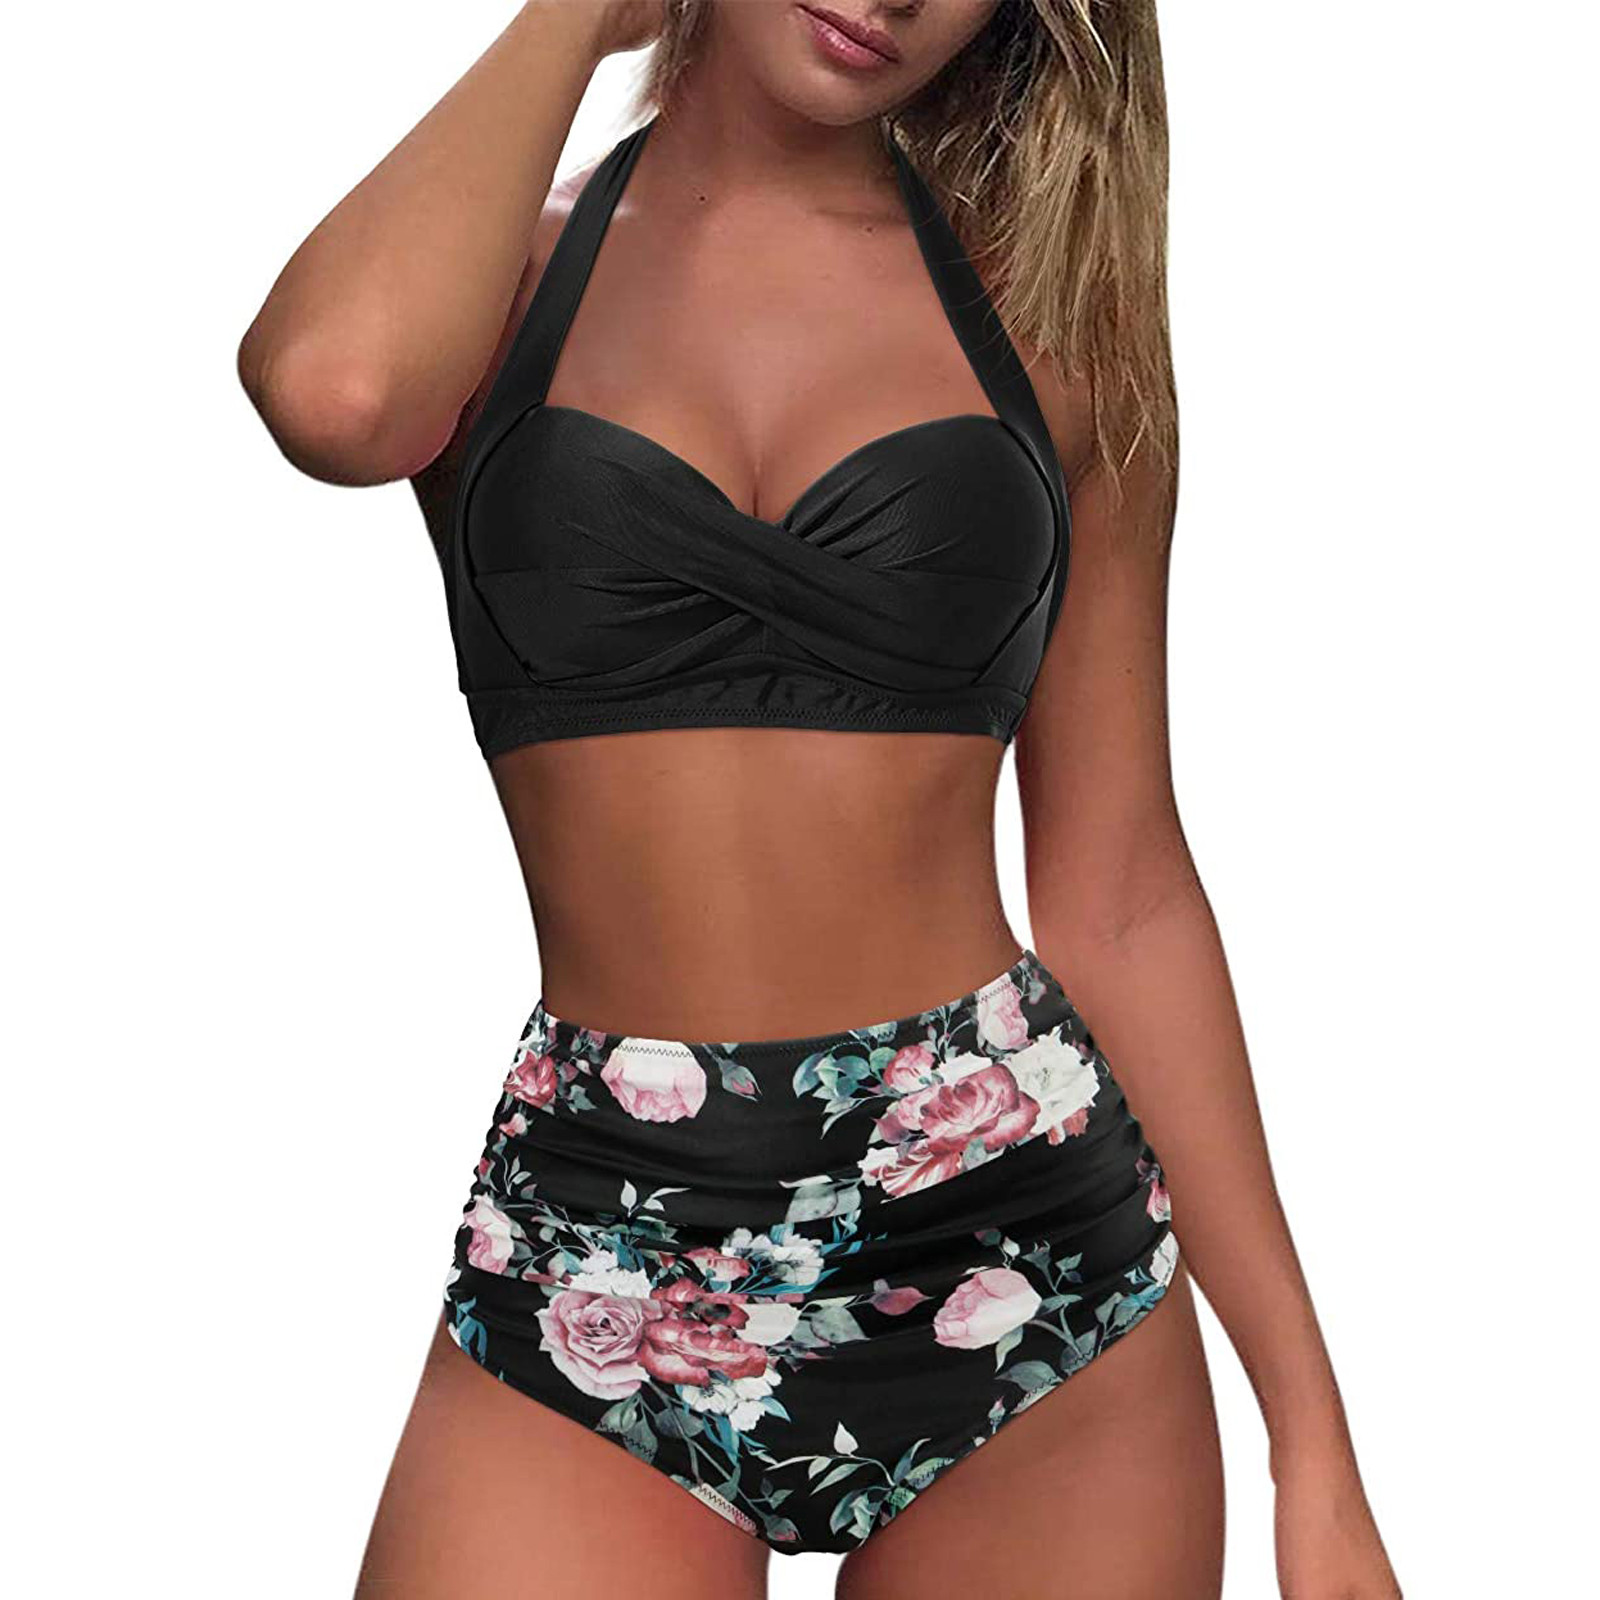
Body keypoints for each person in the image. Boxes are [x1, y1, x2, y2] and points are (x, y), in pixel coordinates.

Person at [239, 3, 1400, 1595]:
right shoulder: (499, 284)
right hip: (599, 1246)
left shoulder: (1049, 331)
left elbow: (1121, 889)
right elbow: (334, 393)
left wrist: (1311, 1437)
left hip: (1026, 1255)